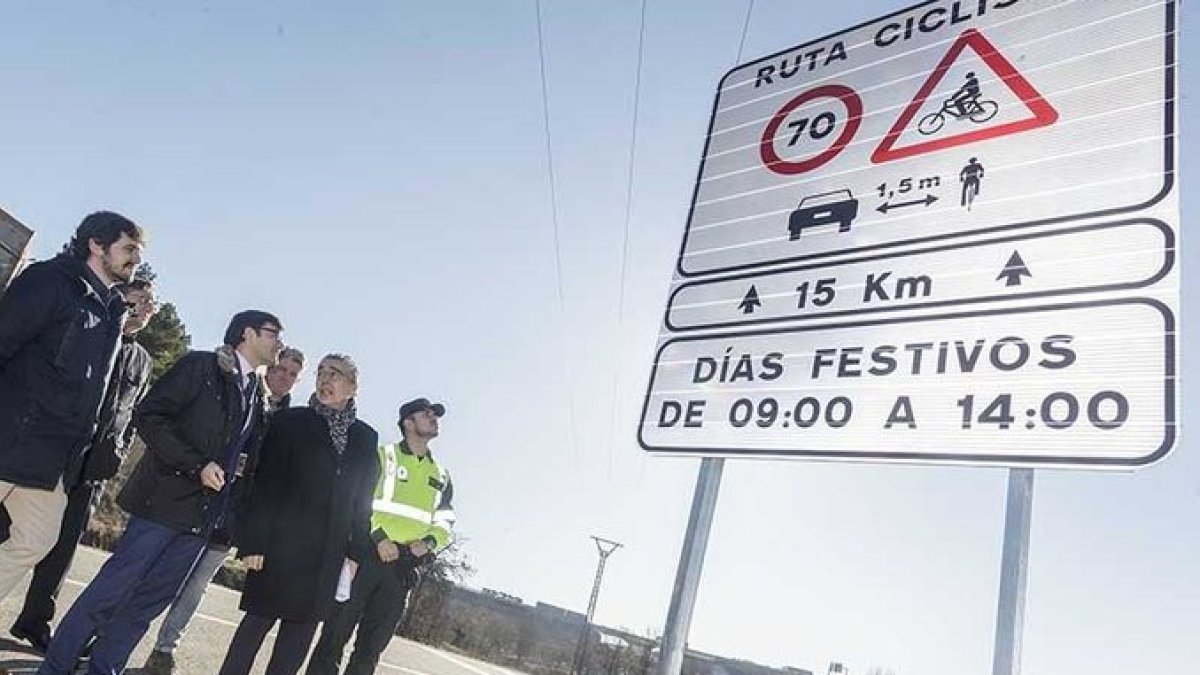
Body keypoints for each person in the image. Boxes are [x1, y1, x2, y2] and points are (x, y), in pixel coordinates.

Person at [37, 310, 284, 675]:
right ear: (247, 334)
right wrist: (196, 465)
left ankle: (104, 670)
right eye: (273, 333)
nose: (280, 343)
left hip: (203, 519)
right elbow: (149, 415)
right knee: (109, 594)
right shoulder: (201, 367)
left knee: (146, 607)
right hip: (163, 505)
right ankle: (54, 669)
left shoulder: (257, 396)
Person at [0, 212, 143, 610]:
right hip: (9, 436)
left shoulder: (113, 311)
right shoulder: (50, 281)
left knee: (37, 539)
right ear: (96, 245)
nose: (135, 259)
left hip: (53, 459)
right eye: (129, 249)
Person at [7, 279, 156, 653]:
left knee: (62, 547)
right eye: (139, 301)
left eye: (151, 307)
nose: (144, 311)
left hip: (95, 468)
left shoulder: (142, 360)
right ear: (120, 299)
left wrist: (119, 448)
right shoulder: (92, 334)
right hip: (55, 453)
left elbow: (132, 412)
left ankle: (35, 619)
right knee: (16, 531)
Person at [142, 346, 306, 675]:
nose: (284, 377)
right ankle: (106, 637)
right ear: (269, 368)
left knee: (197, 584)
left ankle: (164, 650)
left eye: (292, 374)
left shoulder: (291, 421)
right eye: (280, 369)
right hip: (197, 499)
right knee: (157, 575)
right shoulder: (244, 393)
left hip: (234, 516)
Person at [216, 354, 379, 675]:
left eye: (336, 374)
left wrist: (355, 552)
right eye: (321, 372)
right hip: (280, 548)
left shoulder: (365, 438)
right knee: (254, 629)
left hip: (326, 557)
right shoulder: (290, 422)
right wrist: (254, 543)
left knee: (297, 642)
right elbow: (265, 484)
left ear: (352, 387)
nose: (326, 378)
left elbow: (363, 501)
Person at [305, 397, 456, 675]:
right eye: (426, 414)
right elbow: (359, 500)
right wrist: (379, 537)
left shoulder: (442, 475)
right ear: (408, 422)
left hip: (403, 568)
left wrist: (430, 543)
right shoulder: (382, 456)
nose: (434, 418)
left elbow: (445, 521)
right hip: (365, 557)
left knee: (371, 649)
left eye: (436, 415)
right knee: (334, 637)